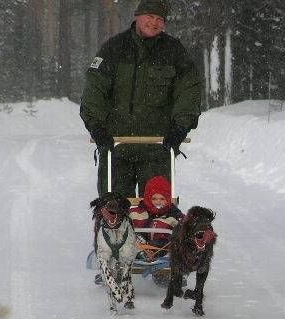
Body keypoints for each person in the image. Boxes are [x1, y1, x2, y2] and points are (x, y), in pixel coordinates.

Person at [80, 0, 201, 198]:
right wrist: (96, 127)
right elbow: (95, 89)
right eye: (150, 16)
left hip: (158, 149)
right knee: (115, 213)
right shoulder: (113, 48)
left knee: (157, 216)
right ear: (138, 16)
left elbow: (189, 89)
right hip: (115, 148)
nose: (155, 22)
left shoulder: (174, 51)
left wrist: (181, 127)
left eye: (160, 19)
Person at [130, 175, 184, 249]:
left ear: (167, 199)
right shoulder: (134, 213)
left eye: (162, 199)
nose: (158, 202)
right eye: (154, 199)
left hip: (163, 253)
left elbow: (187, 228)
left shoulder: (174, 215)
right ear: (148, 199)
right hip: (135, 253)